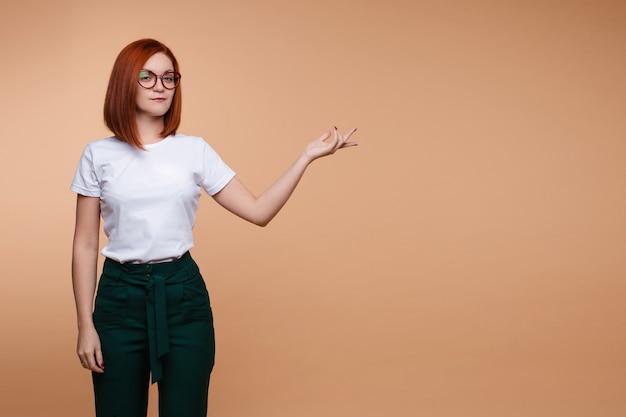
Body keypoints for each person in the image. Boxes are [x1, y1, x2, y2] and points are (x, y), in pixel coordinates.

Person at [70, 38, 357, 417]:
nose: (160, 86)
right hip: (118, 302)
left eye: (169, 78)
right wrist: (85, 325)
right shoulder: (98, 154)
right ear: (126, 81)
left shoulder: (194, 150)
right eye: (148, 76)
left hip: (182, 299)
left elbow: (258, 211)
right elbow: (86, 245)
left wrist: (305, 157)